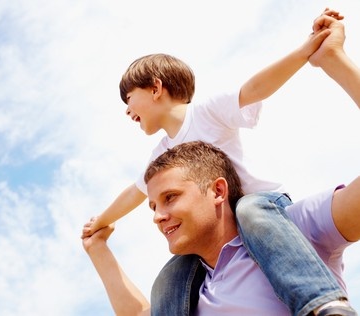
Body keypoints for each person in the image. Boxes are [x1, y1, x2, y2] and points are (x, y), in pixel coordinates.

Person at [82, 12, 360, 316]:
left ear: (155, 87)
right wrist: (100, 224)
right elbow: (133, 193)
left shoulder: (206, 112)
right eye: (157, 204)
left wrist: (308, 52)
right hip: (235, 224)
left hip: (265, 206)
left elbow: (255, 88)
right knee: (169, 276)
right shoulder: (162, 155)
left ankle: (322, 304)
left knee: (248, 209)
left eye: (129, 98)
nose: (127, 111)